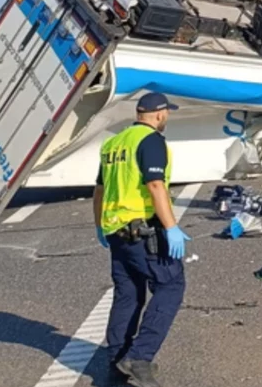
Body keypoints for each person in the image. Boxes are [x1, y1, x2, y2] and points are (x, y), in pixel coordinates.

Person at [94, 92, 189, 387]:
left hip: (116, 232)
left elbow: (99, 189)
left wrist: (100, 226)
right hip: (143, 229)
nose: (167, 118)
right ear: (159, 114)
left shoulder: (113, 144)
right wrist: (171, 226)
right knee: (171, 286)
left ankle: (117, 363)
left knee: (129, 294)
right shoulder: (151, 141)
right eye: (167, 113)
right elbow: (155, 184)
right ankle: (139, 357)